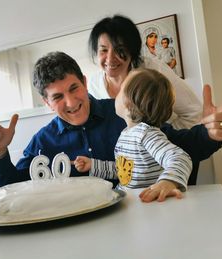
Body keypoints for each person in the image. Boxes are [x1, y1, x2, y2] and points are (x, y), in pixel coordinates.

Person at [0, 51, 222, 191]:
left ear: (85, 82)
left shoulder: (127, 113)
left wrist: (210, 134)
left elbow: (178, 147)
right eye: (57, 97)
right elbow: (11, 190)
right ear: (46, 103)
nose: (70, 102)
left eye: (74, 88)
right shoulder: (43, 142)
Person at [74, 68, 192, 202]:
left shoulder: (146, 134)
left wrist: (167, 182)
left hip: (148, 205)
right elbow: (124, 171)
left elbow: (180, 158)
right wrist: (93, 165)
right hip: (130, 203)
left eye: (120, 91)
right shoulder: (127, 134)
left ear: (129, 103)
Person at [87, 15, 202, 129]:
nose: (110, 58)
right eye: (104, 50)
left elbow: (195, 113)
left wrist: (164, 138)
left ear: (132, 50)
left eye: (119, 50)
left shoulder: (154, 71)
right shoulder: (93, 85)